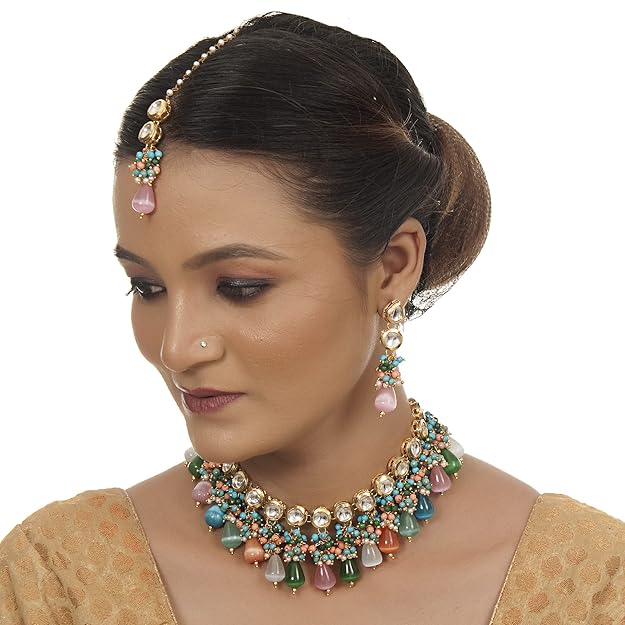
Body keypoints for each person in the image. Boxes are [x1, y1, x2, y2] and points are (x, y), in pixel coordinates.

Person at [1, 10, 623, 625]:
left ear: (392, 267)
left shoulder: (587, 586)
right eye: (148, 287)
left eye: (240, 287)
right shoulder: (60, 580)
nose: (177, 347)